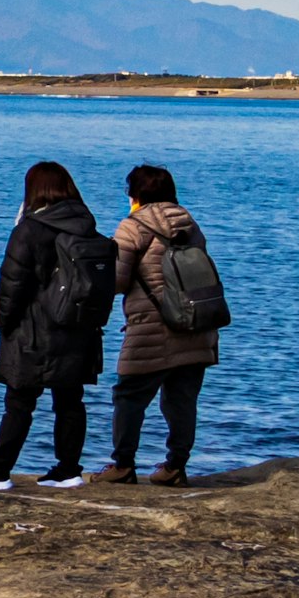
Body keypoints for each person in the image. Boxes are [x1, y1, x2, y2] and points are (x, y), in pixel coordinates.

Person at [0, 161, 113, 489]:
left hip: (35, 334)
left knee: (19, 403)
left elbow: (11, 286)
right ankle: (68, 470)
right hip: (78, 332)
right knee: (70, 401)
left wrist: (5, 325)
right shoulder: (86, 227)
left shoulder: (29, 230)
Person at [95, 164, 217, 484]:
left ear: (136, 195)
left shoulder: (132, 227)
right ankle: (175, 467)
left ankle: (123, 465)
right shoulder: (190, 224)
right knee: (181, 400)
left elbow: (118, 282)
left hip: (152, 327)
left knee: (129, 397)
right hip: (196, 325)